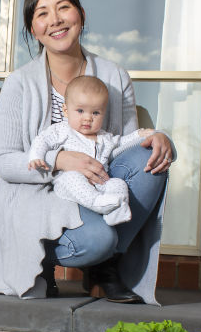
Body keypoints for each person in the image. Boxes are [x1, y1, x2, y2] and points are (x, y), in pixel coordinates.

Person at [0, 0, 175, 303]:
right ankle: (42, 261)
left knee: (149, 158)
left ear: (80, 14)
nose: (54, 20)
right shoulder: (19, 84)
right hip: (36, 197)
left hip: (95, 187)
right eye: (42, 13)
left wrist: (156, 137)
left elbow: (125, 146)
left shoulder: (114, 77)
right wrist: (59, 160)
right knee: (97, 239)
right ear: (33, 28)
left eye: (63, 7)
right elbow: (5, 161)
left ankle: (105, 267)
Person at [27, 75, 151, 226]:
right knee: (73, 178)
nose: (88, 118)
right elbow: (43, 140)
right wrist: (36, 156)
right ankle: (97, 203)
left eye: (95, 113)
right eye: (80, 111)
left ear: (103, 114)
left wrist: (139, 135)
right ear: (66, 110)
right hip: (67, 183)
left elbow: (121, 143)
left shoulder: (104, 137)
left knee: (118, 184)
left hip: (99, 183)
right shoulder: (62, 130)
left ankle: (115, 212)